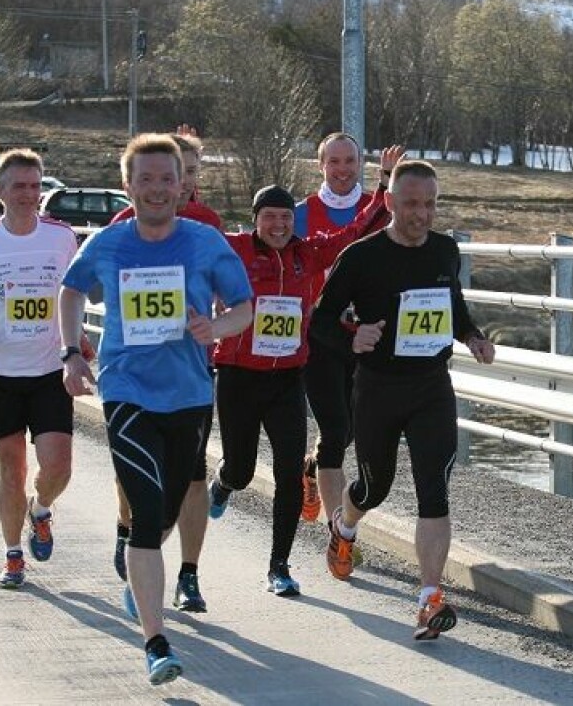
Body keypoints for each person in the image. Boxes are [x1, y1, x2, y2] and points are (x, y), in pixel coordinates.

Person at [59, 133, 253, 686]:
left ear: (183, 184)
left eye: (167, 178)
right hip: (126, 389)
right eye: (145, 178)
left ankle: (137, 574)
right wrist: (72, 353)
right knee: (147, 513)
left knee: (167, 510)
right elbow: (72, 292)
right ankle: (156, 641)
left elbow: (244, 308)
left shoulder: (205, 241)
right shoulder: (109, 243)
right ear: (128, 185)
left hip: (190, 394)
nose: (157, 188)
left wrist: (214, 328)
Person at [309, 159, 495, 639]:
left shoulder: (444, 250)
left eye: (430, 204)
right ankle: (343, 527)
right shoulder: (361, 257)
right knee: (375, 487)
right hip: (378, 388)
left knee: (434, 489)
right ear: (389, 202)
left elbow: (452, 305)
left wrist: (472, 335)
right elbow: (321, 322)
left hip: (432, 385)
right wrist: (353, 337)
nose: (422, 215)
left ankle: (429, 599)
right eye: (412, 204)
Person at [207, 174, 391, 596]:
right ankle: (225, 482)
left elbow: (354, 233)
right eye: (269, 217)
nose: (278, 225)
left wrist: (381, 189)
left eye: (285, 217)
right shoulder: (233, 249)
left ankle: (279, 566)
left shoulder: (306, 255)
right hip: (238, 376)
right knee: (242, 467)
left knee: (289, 473)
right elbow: (195, 239)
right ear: (255, 220)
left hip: (288, 378)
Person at [0, 148, 92, 590]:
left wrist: (78, 338)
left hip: (50, 368)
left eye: (35, 185)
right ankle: (13, 556)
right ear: (0, 191)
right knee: (12, 469)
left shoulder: (62, 236)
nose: (29, 194)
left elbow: (75, 294)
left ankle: (41, 509)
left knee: (59, 467)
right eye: (19, 187)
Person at [107, 132, 222, 614]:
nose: (187, 182)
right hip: (136, 381)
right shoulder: (124, 225)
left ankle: (188, 574)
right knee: (140, 483)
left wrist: (212, 322)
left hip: (191, 376)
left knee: (193, 481)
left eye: (193, 172)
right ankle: (131, 534)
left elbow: (230, 289)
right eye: (183, 171)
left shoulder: (208, 226)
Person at [296, 133, 401, 573]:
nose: (341, 169)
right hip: (320, 337)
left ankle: (312, 467)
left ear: (361, 164)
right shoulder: (302, 214)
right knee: (336, 432)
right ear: (321, 165)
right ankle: (339, 535)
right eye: (333, 162)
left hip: (366, 337)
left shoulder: (380, 209)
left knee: (354, 430)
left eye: (349, 161)